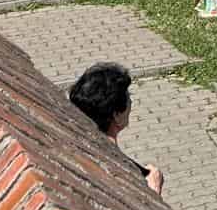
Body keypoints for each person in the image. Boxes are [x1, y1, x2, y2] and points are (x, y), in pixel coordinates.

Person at [69, 62, 166, 198]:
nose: (131, 103)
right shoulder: (122, 170)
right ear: (116, 115)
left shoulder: (76, 145)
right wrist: (154, 190)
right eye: (128, 97)